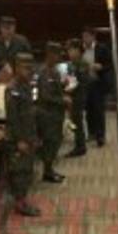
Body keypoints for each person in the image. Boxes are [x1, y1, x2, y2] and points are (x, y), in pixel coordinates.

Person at [5, 52, 41, 216]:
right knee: (19, 171)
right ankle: (20, 203)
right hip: (18, 138)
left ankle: (23, 200)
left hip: (28, 135)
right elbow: (12, 118)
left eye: (30, 67)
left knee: (27, 170)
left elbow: (29, 113)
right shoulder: (13, 89)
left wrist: (33, 136)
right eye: (25, 67)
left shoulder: (25, 85)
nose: (29, 71)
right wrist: (19, 140)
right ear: (16, 68)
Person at [36, 41, 67, 184]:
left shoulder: (54, 71)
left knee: (56, 141)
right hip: (48, 115)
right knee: (50, 143)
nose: (59, 57)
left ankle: (49, 170)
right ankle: (47, 172)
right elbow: (45, 96)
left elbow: (55, 90)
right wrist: (62, 100)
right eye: (57, 54)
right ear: (49, 54)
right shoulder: (44, 72)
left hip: (56, 114)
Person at [82, 26, 112, 147]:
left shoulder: (102, 48)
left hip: (98, 82)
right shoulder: (81, 49)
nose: (85, 39)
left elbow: (109, 64)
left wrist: (101, 67)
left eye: (87, 36)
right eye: (83, 37)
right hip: (85, 83)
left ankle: (100, 136)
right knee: (88, 109)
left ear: (93, 37)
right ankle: (91, 133)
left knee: (98, 110)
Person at [64, 38, 89, 158]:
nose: (69, 53)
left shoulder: (82, 64)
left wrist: (67, 89)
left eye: (71, 50)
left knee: (77, 121)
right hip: (72, 96)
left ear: (78, 51)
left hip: (78, 96)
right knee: (74, 121)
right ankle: (79, 143)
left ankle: (80, 146)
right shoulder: (72, 64)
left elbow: (78, 81)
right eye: (68, 50)